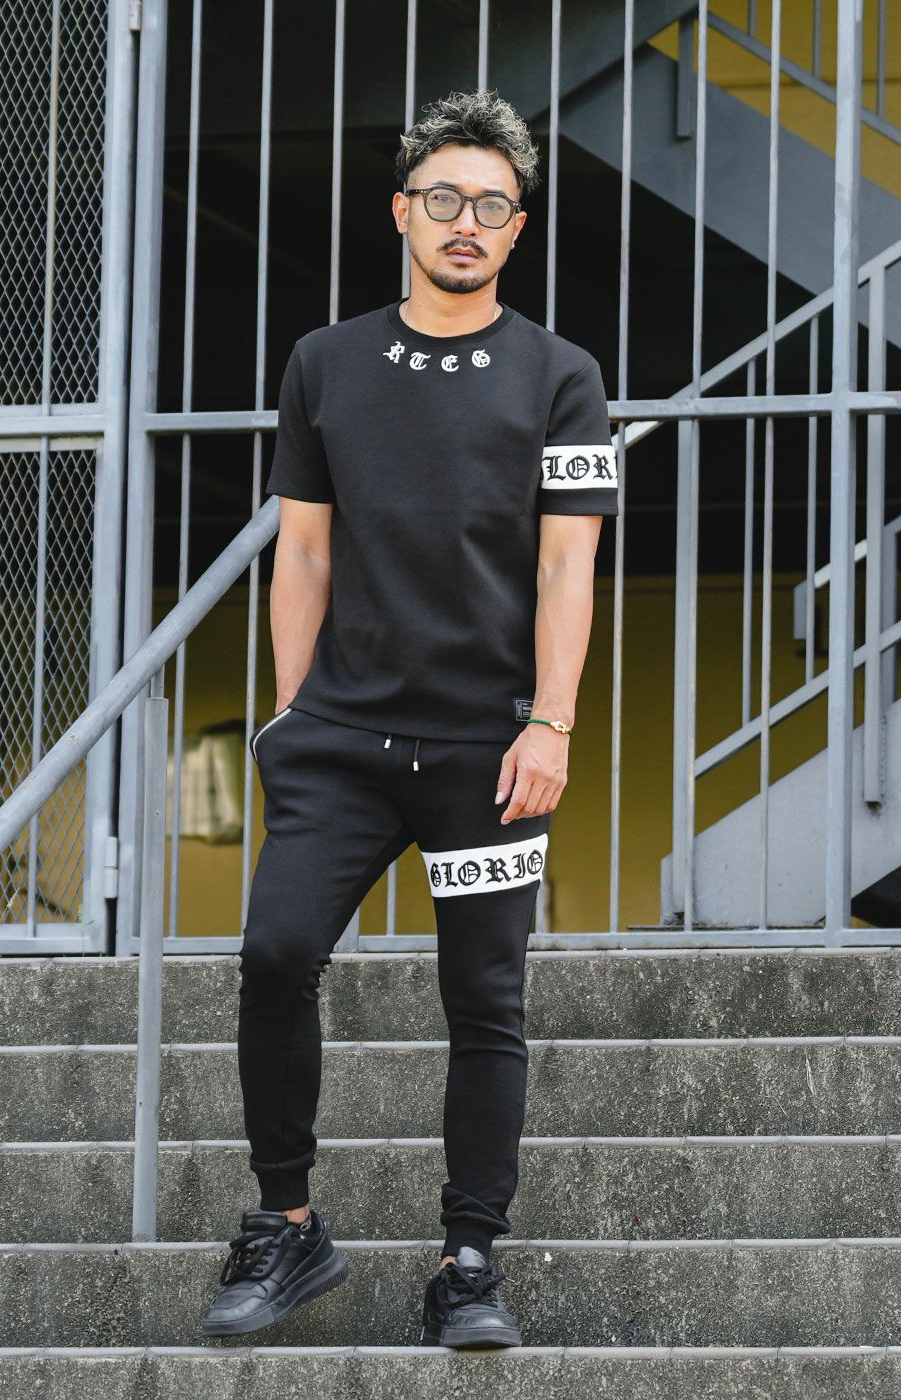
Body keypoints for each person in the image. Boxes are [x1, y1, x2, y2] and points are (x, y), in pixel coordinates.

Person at [201, 87, 618, 1349]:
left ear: (517, 228)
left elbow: (567, 565)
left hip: (489, 754)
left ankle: (467, 1261)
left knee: (483, 997)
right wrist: (286, 714)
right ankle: (287, 1222)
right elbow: (303, 552)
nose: (465, 221)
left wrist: (550, 723)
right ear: (401, 211)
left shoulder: (564, 376)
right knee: (276, 951)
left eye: (491, 205)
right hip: (339, 741)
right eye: (444, 198)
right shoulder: (323, 363)